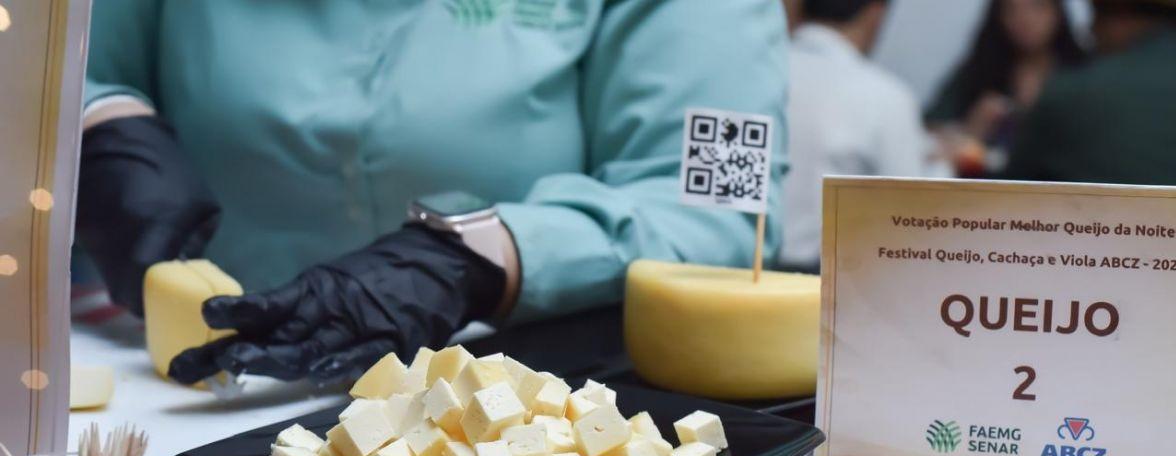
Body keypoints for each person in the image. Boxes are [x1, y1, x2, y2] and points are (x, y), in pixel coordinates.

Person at [77, 1, 790, 386]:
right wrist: (98, 123)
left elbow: (718, 206)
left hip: (513, 411)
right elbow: (59, 60)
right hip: (187, 388)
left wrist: (477, 256)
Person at [778, 0, 926, 272]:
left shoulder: (762, 74)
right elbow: (912, 216)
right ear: (876, 13)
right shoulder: (886, 96)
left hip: (736, 275)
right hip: (829, 287)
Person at [1004, 0, 1176, 184]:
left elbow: (1006, 193)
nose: (1091, 29)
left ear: (1120, 15)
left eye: (1097, 14)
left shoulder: (1071, 94)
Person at [926, 0, 1086, 174]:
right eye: (1011, 10)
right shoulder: (981, 68)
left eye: (1037, 6)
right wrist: (970, 129)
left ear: (1058, 12)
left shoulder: (1083, 73)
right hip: (989, 187)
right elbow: (928, 132)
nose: (1025, 19)